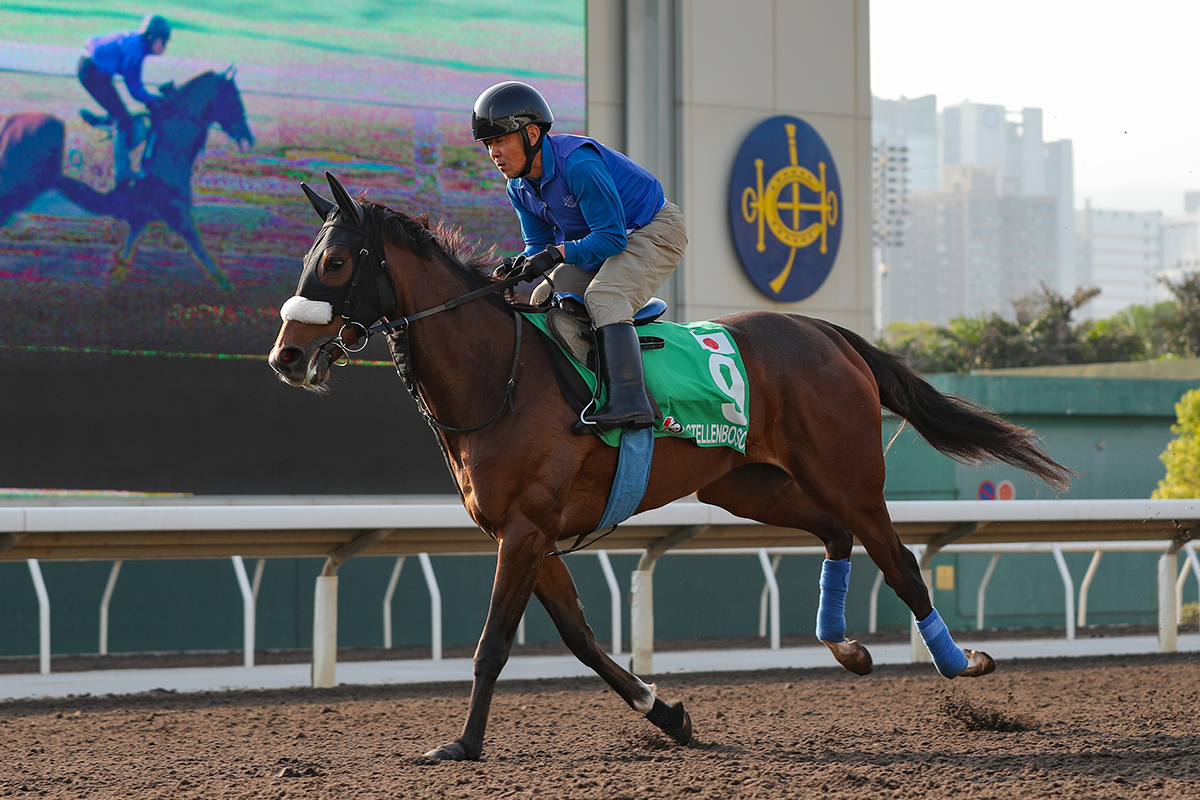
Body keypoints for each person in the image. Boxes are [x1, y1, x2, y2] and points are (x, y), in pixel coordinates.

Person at [472, 80, 688, 431]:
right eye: (488, 145)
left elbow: (612, 238)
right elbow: (537, 246)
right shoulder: (517, 186)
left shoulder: (579, 165)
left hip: (655, 229)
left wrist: (556, 253)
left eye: (500, 141)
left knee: (605, 295)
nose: (493, 153)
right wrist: (517, 267)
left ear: (531, 135)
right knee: (544, 296)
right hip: (608, 241)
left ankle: (632, 402)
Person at [77, 14, 171, 184]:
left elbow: (135, 86)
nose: (165, 47)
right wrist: (155, 101)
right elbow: (134, 89)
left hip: (94, 68)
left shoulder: (139, 45)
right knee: (123, 119)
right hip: (92, 71)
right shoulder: (136, 50)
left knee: (120, 112)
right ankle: (122, 170)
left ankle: (105, 121)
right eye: (163, 42)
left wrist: (151, 100)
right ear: (151, 37)